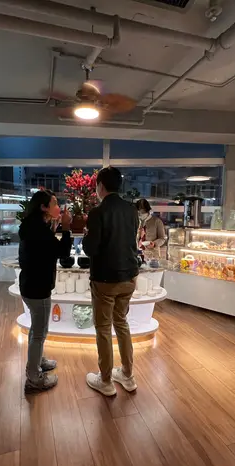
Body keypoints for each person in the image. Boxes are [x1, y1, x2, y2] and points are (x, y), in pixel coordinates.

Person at [83, 166, 139, 396]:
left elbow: (90, 249)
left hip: (105, 279)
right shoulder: (132, 210)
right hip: (129, 276)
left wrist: (86, 235)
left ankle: (105, 380)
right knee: (122, 324)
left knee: (104, 329)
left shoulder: (98, 212)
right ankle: (127, 375)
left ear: (100, 186)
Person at [18, 190, 72, 393]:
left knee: (37, 330)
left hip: (30, 285)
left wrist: (55, 226)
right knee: (39, 333)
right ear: (43, 207)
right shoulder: (39, 230)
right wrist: (66, 227)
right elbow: (63, 252)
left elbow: (44, 249)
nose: (58, 207)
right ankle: (33, 377)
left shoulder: (32, 225)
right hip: (38, 288)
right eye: (55, 203)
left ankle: (38, 360)